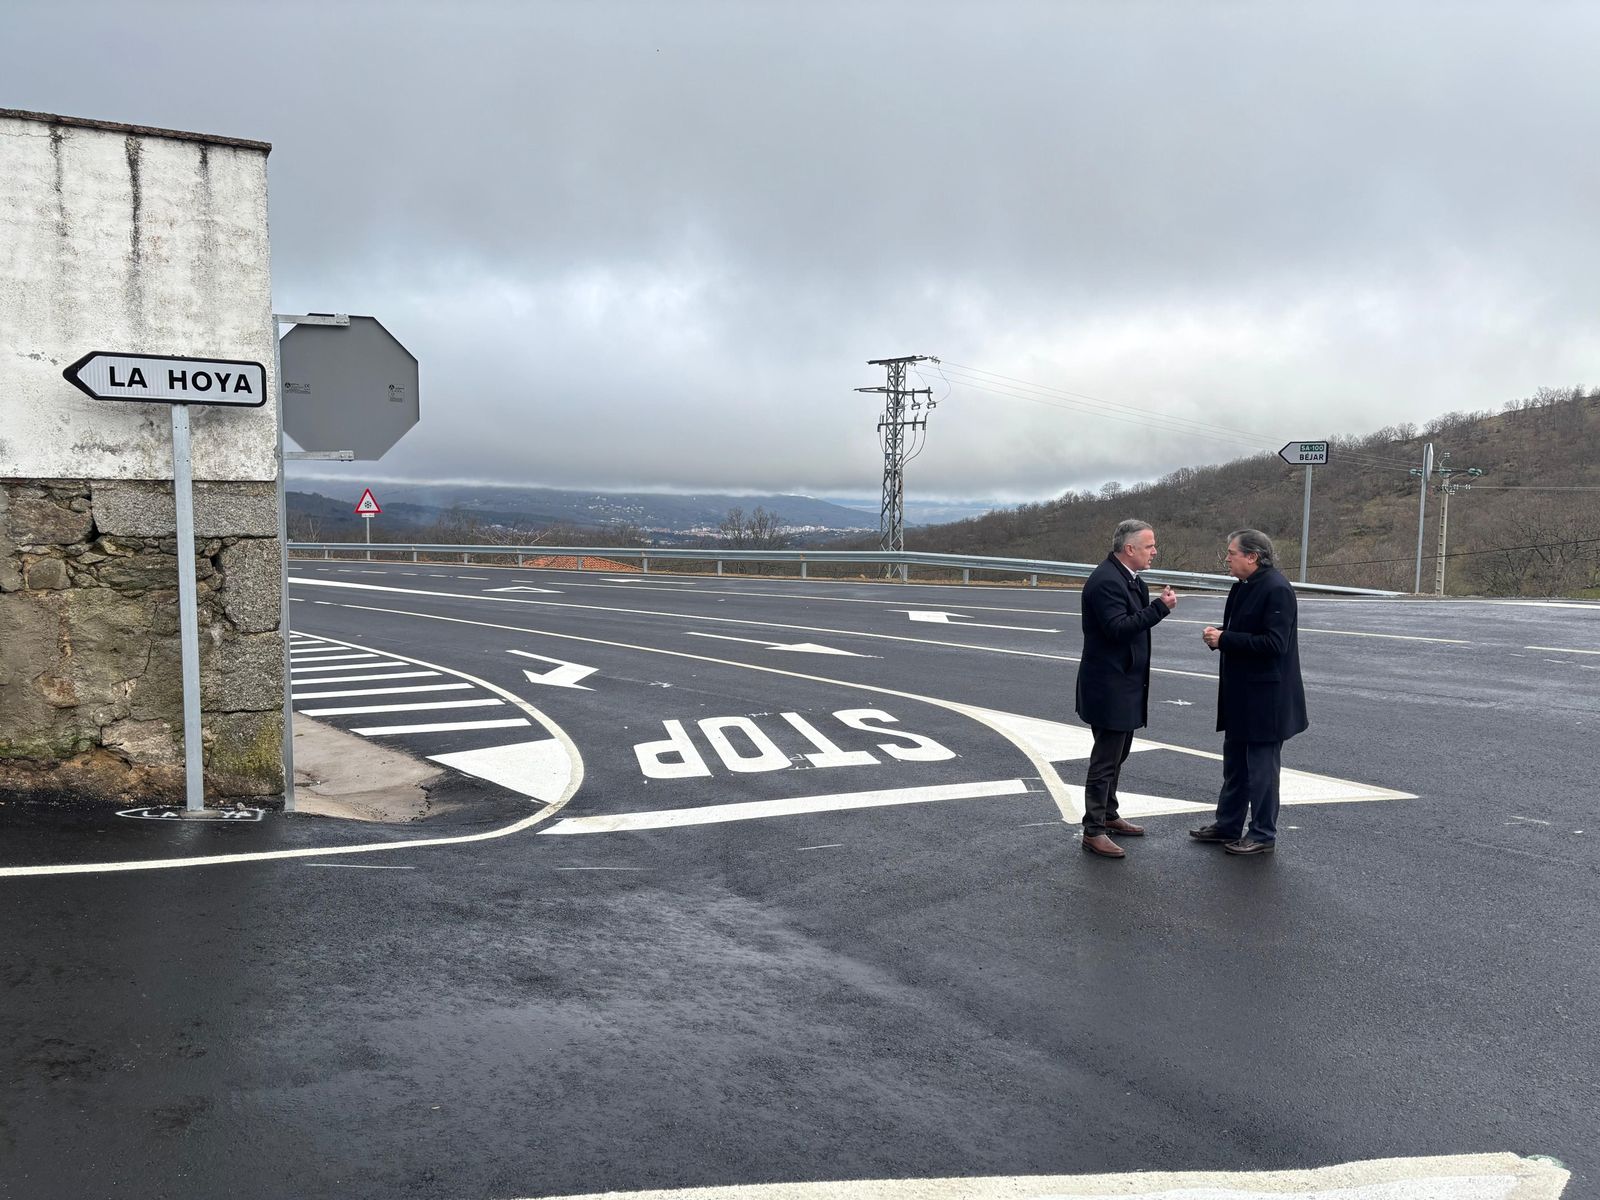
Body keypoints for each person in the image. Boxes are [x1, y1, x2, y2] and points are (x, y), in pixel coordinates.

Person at [1192, 528, 1308, 856]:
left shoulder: (1277, 589)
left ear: (1252, 557)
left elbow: (1274, 643)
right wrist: (1222, 633)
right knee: (1235, 767)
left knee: (1261, 772)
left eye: (1231, 553)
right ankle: (1227, 824)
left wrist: (1225, 639)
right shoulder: (1242, 587)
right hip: (1241, 696)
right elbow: (1246, 631)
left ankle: (1262, 834)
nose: (1226, 558)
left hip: (1266, 700)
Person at [1075, 519, 1178, 859]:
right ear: (1129, 549)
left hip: (1127, 683)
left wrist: (1153, 607)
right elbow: (1118, 629)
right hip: (1108, 686)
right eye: (1149, 546)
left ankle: (1108, 812)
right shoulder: (1106, 581)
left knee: (1119, 755)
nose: (1155, 551)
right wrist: (1159, 609)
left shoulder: (1133, 580)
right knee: (1105, 759)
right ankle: (1093, 829)